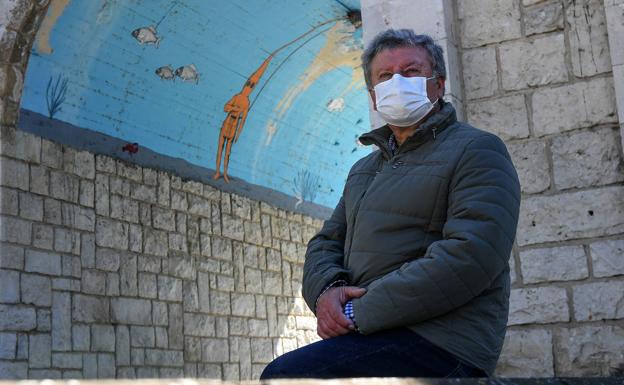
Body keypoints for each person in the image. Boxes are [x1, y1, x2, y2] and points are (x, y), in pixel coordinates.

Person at [261, 29, 521, 379]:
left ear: (439, 84)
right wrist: (328, 292)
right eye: (385, 76)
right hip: (372, 333)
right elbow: (326, 242)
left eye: (411, 71)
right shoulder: (363, 170)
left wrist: (357, 313)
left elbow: (471, 254)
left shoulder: (477, 150)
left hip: (443, 340)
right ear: (373, 95)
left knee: (288, 375)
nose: (397, 82)